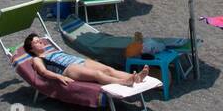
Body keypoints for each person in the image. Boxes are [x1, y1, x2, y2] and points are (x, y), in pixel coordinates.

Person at [20, 33, 149, 87]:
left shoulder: (52, 50)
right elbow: (43, 72)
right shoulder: (37, 59)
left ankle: (136, 77)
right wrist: (59, 77)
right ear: (31, 49)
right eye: (37, 42)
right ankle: (124, 82)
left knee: (108, 69)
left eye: (40, 40)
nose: (41, 42)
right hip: (68, 69)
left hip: (78, 61)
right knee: (98, 74)